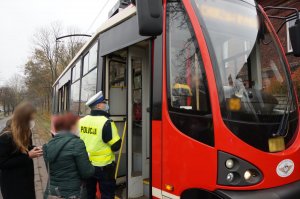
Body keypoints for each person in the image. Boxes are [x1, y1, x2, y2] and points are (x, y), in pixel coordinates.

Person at [79, 91, 121, 199]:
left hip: (86, 164)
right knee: (107, 194)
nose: (106, 104)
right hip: (104, 167)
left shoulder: (81, 121)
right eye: (104, 102)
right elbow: (116, 146)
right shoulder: (107, 122)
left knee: (89, 194)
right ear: (98, 105)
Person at [43, 113, 95, 199]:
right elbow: (87, 173)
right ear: (71, 126)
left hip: (53, 193)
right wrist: (88, 161)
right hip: (73, 193)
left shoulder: (47, 146)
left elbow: (51, 171)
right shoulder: (77, 144)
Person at [0, 102, 42, 199]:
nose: (32, 121)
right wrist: (28, 156)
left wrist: (35, 148)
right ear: (23, 119)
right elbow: (2, 163)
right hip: (12, 184)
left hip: (27, 180)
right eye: (30, 119)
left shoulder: (27, 132)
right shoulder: (6, 136)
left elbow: (26, 148)